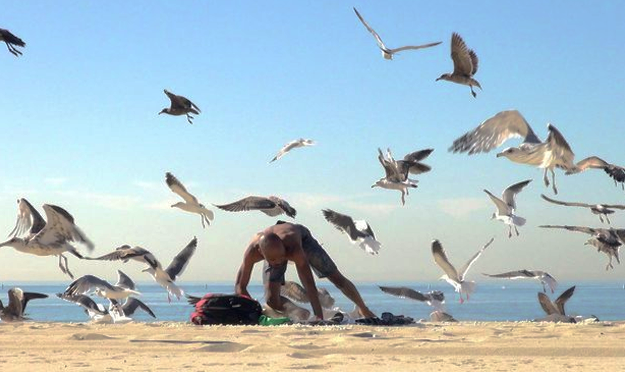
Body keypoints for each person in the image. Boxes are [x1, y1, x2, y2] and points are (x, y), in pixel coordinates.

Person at [235, 221, 376, 320]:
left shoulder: (294, 248)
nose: (279, 263)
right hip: (273, 246)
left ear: (285, 250)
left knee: (336, 278)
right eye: (273, 260)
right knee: (271, 300)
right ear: (261, 252)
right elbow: (240, 286)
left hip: (302, 239)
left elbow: (308, 283)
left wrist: (318, 316)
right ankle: (298, 312)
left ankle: (363, 309)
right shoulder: (252, 251)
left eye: (281, 258)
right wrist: (254, 311)